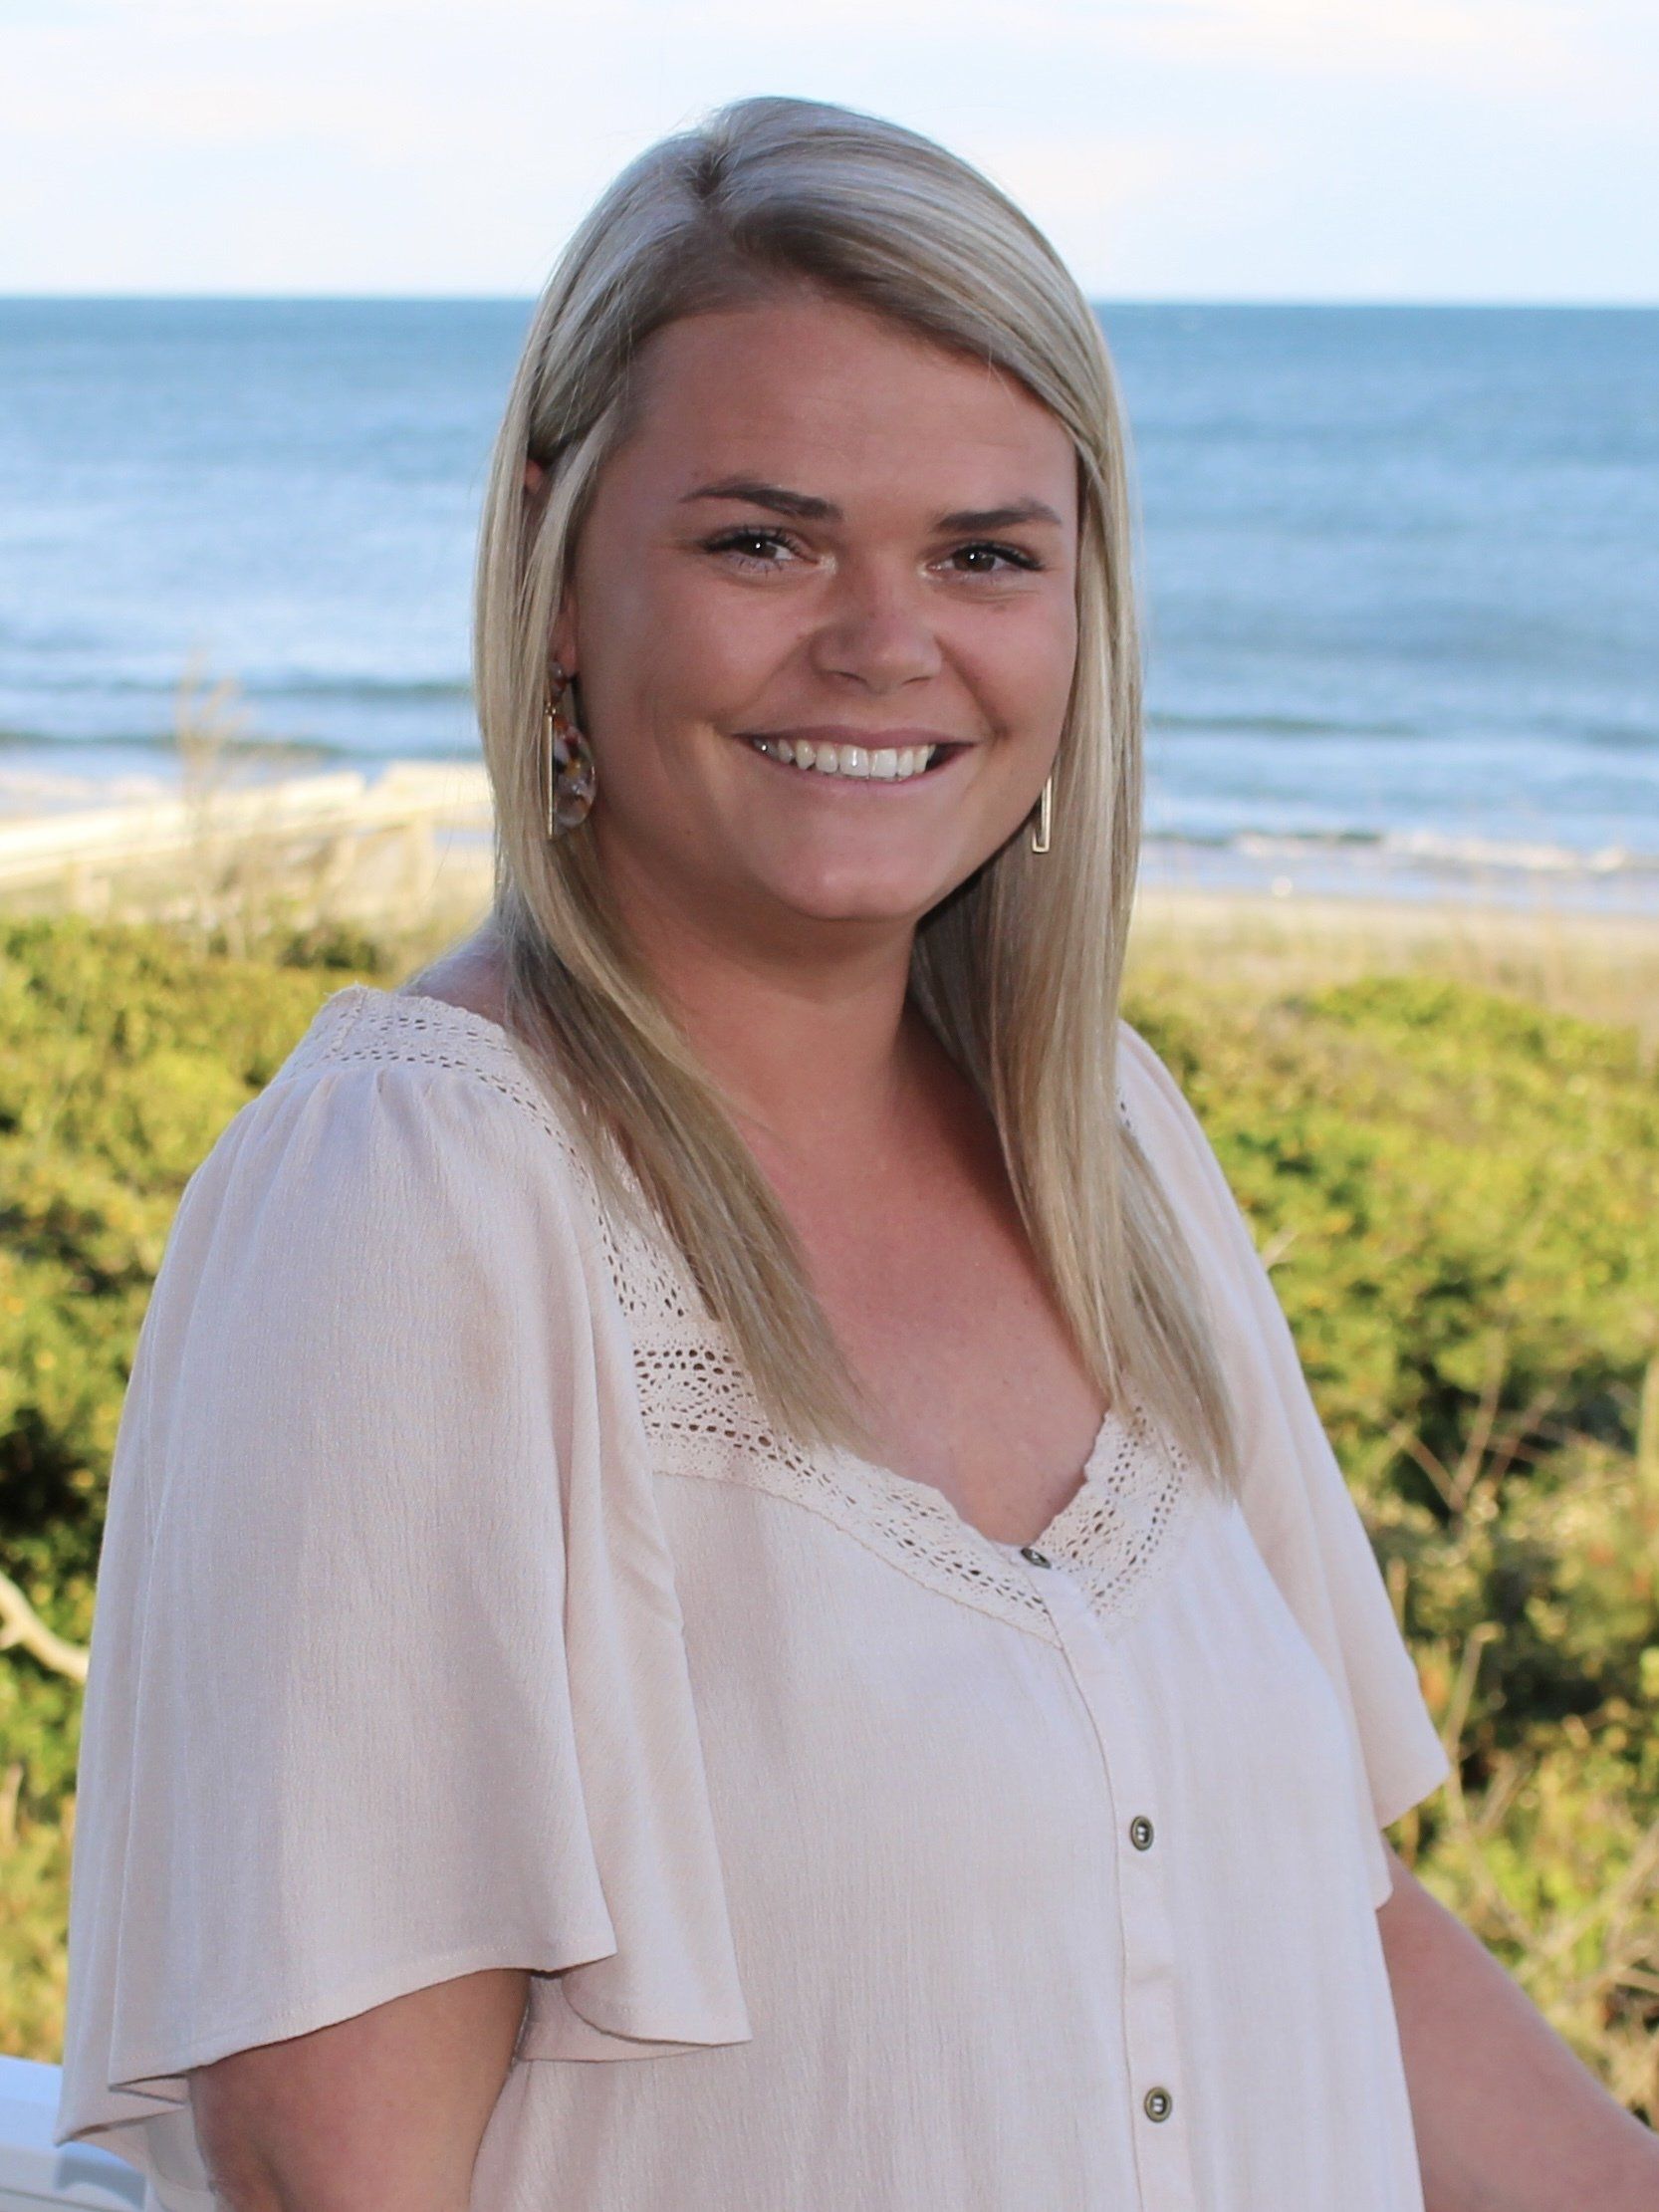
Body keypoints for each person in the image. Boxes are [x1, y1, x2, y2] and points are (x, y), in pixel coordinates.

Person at [55, 95, 1659, 2212]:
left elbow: (1327, 1926)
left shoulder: (1106, 1142)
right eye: (762, 538)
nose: (884, 644)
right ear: (554, 571)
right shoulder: (420, 1196)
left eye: (984, 552)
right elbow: (330, 2174)